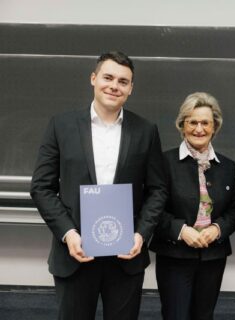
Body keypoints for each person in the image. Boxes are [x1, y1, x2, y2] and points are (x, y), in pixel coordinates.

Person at [30, 51, 167, 320]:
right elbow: (41, 187)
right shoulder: (61, 126)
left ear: (130, 89)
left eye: (123, 81)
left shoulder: (146, 130)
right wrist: (69, 234)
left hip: (125, 257)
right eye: (108, 77)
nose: (114, 86)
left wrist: (140, 234)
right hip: (75, 255)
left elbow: (157, 190)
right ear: (93, 79)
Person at [149, 92, 235, 320]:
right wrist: (181, 230)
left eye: (205, 123)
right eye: (192, 122)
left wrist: (217, 229)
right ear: (182, 125)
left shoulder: (227, 166)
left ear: (214, 126)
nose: (199, 129)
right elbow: (151, 209)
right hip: (174, 256)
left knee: (204, 316)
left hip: (213, 258)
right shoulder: (163, 162)